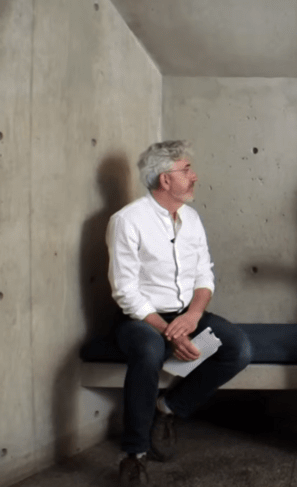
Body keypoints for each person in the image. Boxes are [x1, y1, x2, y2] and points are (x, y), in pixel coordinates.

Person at [107, 140, 253, 486]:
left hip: (186, 314)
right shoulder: (127, 220)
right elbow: (125, 291)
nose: (194, 176)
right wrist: (167, 330)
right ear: (163, 179)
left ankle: (169, 408)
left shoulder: (191, 218)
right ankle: (134, 454)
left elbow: (205, 276)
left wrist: (191, 317)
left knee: (239, 348)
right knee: (149, 350)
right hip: (140, 319)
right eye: (186, 170)